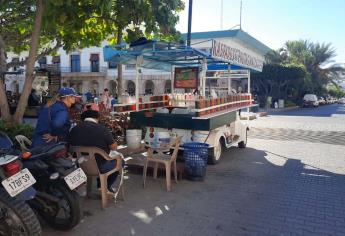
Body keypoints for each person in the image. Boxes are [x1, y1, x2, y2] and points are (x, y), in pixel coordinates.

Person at [68, 108, 123, 193]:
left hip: (80, 167)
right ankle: (105, 186)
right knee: (120, 161)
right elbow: (114, 147)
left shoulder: (74, 130)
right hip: (100, 167)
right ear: (97, 118)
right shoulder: (102, 129)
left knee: (100, 158)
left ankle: (99, 185)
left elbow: (70, 147)